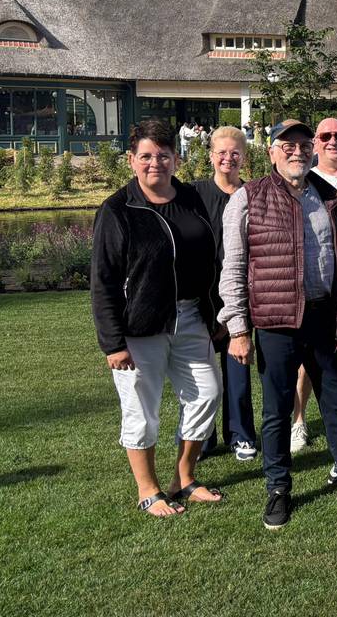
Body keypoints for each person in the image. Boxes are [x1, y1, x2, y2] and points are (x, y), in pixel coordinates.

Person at [219, 119, 337, 530]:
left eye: (302, 144)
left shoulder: (328, 196)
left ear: (312, 150)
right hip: (277, 321)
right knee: (277, 409)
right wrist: (239, 328)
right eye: (286, 145)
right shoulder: (248, 198)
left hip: (323, 317)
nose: (296, 152)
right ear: (272, 152)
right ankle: (278, 489)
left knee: (335, 400)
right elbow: (234, 267)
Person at [91, 119, 222, 517]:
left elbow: (211, 259)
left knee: (207, 393)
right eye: (145, 156)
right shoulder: (118, 209)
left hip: (191, 318)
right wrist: (113, 343)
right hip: (140, 327)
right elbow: (104, 280)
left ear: (175, 158)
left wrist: (216, 313)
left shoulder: (191, 198)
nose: (155, 164)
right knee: (141, 410)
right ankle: (148, 490)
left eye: (163, 156)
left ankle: (184, 477)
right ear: (131, 160)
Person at [292, 116, 337, 452]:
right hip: (313, 285)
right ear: (316, 143)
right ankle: (299, 420)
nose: (333, 141)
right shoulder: (305, 179)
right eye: (326, 136)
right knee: (306, 365)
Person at [191, 126, 257, 462]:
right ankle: (203, 436)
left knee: (237, 369)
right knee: (201, 374)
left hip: (239, 297)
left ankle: (241, 435)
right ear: (210, 155)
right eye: (221, 152)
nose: (228, 158)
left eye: (235, 153)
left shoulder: (252, 195)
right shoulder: (193, 194)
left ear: (244, 157)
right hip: (200, 297)